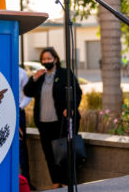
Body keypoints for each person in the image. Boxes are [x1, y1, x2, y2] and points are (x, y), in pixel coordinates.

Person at [23, 47, 82, 189]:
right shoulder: (40, 77)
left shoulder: (65, 74)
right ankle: (55, 182)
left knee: (64, 153)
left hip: (61, 122)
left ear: (55, 59)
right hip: (44, 123)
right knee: (49, 154)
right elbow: (27, 92)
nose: (46, 61)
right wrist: (34, 78)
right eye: (44, 59)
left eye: (49, 58)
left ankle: (66, 182)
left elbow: (77, 92)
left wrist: (71, 107)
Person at [18, 66, 33, 189]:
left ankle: (25, 182)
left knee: (21, 147)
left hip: (18, 113)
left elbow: (28, 94)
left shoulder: (21, 73)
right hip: (1, 113)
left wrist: (21, 107)